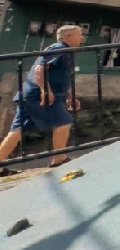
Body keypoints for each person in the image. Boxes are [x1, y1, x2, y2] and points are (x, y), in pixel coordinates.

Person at [0, 24, 84, 165]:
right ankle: (59, 159)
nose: (82, 38)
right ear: (68, 36)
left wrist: (68, 96)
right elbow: (40, 71)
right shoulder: (59, 49)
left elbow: (58, 77)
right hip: (38, 95)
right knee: (64, 122)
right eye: (79, 34)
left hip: (30, 94)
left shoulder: (65, 51)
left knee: (17, 130)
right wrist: (45, 91)